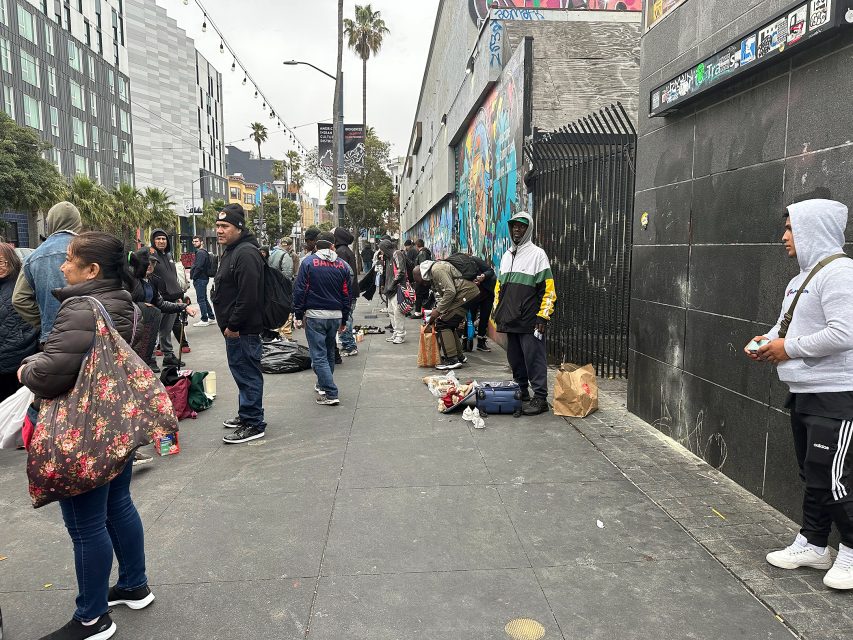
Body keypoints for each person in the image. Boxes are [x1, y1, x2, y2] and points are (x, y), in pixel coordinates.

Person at [17, 232, 154, 640]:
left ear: (91, 270)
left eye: (70, 260)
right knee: (119, 506)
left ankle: (93, 618)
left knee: (86, 525)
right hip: (117, 426)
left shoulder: (81, 309)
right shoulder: (130, 305)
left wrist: (26, 368)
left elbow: (49, 375)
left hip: (83, 435)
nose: (62, 266)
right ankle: (134, 585)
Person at [745, 198, 853, 591]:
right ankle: (813, 542)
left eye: (791, 228)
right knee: (813, 473)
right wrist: (765, 342)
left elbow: (845, 333)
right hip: (805, 390)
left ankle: (851, 551)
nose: (784, 237)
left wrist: (787, 348)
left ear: (814, 230)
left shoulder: (840, 273)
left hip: (838, 393)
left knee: (833, 477)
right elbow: (783, 326)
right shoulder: (800, 278)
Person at [211, 204, 267, 444]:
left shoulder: (245, 253)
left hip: (243, 330)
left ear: (239, 228)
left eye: (225, 226)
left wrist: (233, 325)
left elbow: (248, 296)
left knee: (248, 374)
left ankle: (254, 423)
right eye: (218, 226)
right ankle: (247, 414)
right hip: (235, 330)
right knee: (242, 373)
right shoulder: (233, 250)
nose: (219, 231)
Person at [493, 211, 557, 416]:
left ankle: (540, 398)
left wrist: (543, 316)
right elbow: (499, 287)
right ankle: (521, 390)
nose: (516, 230)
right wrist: (497, 311)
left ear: (528, 229)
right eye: (514, 226)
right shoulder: (506, 255)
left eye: (521, 226)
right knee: (515, 358)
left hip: (531, 320)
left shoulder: (538, 254)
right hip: (510, 319)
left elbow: (549, 289)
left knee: (534, 359)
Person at [293, 232, 351, 406]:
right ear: (332, 246)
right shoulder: (342, 265)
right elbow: (346, 295)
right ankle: (323, 385)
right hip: (335, 316)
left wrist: (297, 314)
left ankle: (331, 392)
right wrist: (344, 319)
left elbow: (300, 290)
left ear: (316, 246)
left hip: (315, 315)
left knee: (318, 355)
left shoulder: (308, 263)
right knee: (328, 352)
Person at [13, 201, 83, 343]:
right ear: (78, 222)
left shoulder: (32, 257)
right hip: (91, 335)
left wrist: (45, 321)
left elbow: (19, 299)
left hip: (52, 337)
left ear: (49, 222)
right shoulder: (92, 250)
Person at [128, 249, 196, 372]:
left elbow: (161, 304)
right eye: (147, 263)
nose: (149, 265)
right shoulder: (130, 281)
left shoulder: (152, 281)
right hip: (133, 328)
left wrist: (184, 307)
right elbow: (123, 304)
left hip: (148, 326)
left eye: (153, 263)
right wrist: (142, 306)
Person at [413, 260, 481, 370]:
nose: (423, 285)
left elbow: (450, 292)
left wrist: (438, 310)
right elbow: (445, 294)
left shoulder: (437, 269)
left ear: (422, 274)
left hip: (465, 294)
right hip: (467, 294)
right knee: (449, 322)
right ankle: (459, 356)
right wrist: (440, 310)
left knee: (443, 324)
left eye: (420, 282)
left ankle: (452, 359)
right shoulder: (435, 272)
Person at [0, 243, 38, 402]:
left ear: (12, 261)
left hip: (18, 357)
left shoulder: (23, 286)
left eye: (2, 262)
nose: (0, 267)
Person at [148, 229, 184, 368]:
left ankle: (168, 356)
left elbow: (173, 278)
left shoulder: (168, 255)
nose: (161, 241)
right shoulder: (151, 254)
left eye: (163, 239)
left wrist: (179, 296)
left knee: (166, 330)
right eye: (158, 239)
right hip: (159, 300)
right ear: (153, 240)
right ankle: (150, 360)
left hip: (173, 298)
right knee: (154, 331)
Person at [334, 227, 360, 357]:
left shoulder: (341, 252)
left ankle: (349, 346)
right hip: (351, 291)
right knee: (347, 318)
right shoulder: (346, 250)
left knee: (345, 319)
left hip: (346, 292)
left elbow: (343, 274)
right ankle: (348, 344)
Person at [379, 237, 408, 344]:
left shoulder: (397, 254)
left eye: (381, 249)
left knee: (397, 312)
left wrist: (392, 284)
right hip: (391, 288)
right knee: (391, 311)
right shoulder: (388, 257)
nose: (381, 251)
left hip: (397, 288)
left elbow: (401, 271)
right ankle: (396, 332)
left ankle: (400, 334)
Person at [270, 237, 298, 341]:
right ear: (290, 246)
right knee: (286, 314)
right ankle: (287, 340)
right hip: (282, 290)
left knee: (275, 314)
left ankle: (276, 338)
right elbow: (288, 275)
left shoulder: (272, 253)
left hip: (272, 288)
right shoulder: (285, 256)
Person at [189, 236, 215, 327]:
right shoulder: (203, 252)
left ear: (202, 242)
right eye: (193, 241)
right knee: (204, 298)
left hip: (200, 278)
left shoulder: (200, 253)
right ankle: (211, 317)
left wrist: (194, 276)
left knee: (201, 299)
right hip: (203, 278)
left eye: (196, 241)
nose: (194, 243)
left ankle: (204, 319)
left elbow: (199, 266)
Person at [414, 239, 433, 315]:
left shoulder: (422, 253)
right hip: (424, 278)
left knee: (419, 294)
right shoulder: (425, 252)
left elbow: (423, 266)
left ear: (417, 245)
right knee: (424, 295)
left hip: (421, 278)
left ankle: (418, 312)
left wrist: (422, 279)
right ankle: (424, 312)